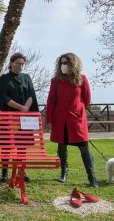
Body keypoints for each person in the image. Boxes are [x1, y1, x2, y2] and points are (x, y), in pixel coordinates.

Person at [46, 52, 98, 188]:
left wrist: (77, 110)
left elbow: (87, 99)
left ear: (73, 64)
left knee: (84, 148)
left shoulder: (82, 79)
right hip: (60, 119)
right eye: (61, 63)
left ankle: (92, 177)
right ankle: (64, 172)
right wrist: (50, 118)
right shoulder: (56, 81)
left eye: (66, 63)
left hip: (76, 120)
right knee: (61, 147)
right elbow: (51, 100)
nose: (63, 65)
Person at [0, 53, 39, 183]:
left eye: (22, 64)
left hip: (24, 119)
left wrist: (25, 108)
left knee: (22, 146)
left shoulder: (26, 77)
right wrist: (20, 107)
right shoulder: (4, 78)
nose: (20, 66)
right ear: (11, 63)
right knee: (6, 146)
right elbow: (4, 97)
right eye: (18, 63)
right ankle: (4, 172)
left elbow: (31, 94)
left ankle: (22, 171)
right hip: (9, 117)